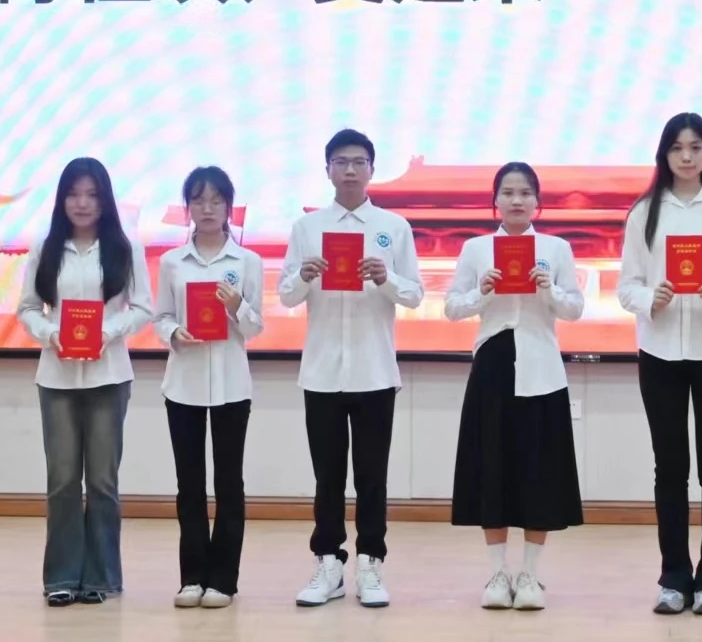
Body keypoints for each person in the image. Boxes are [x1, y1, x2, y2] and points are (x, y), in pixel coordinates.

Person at [614, 112, 702, 616]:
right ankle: (674, 577)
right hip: (659, 352)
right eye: (677, 147)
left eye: (696, 147)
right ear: (664, 154)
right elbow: (627, 286)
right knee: (670, 467)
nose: (687, 156)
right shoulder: (644, 213)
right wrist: (648, 299)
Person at [279, 128, 423, 609]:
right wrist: (304, 276)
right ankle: (328, 564)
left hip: (375, 370)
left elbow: (415, 294)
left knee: (372, 477)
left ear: (372, 170)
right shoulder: (308, 227)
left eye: (359, 162)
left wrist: (386, 277)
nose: (350, 170)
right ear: (327, 170)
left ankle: (370, 564)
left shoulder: (393, 227)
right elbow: (286, 295)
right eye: (340, 162)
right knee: (327, 477)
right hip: (321, 371)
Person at [444, 161, 587, 611]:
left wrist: (548, 290)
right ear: (495, 201)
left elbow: (575, 309)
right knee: (492, 467)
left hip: (541, 366)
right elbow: (452, 307)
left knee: (538, 470)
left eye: (525, 192)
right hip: (493, 364)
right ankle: (497, 574)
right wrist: (482, 293)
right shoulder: (476, 249)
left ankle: (529, 574)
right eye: (507, 192)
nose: (517, 200)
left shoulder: (556, 248)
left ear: (538, 202)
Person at [15, 157, 154, 607]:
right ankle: (60, 577)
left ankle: (101, 577)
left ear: (105, 199)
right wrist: (50, 334)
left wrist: (107, 331)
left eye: (91, 194)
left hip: (108, 376)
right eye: (74, 194)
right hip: (56, 378)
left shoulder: (124, 248)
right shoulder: (45, 246)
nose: (82, 203)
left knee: (101, 482)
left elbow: (143, 307)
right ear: (62, 199)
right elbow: (28, 308)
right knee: (61, 480)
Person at [153, 166, 264, 610]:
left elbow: (255, 328)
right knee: (190, 485)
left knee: (229, 484)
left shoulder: (247, 262)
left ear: (229, 207)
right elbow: (161, 316)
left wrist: (237, 307)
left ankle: (224, 580)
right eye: (198, 200)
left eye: (217, 200)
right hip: (184, 384)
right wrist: (173, 333)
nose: (208, 208)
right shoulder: (172, 262)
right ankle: (192, 577)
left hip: (232, 387)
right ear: (188, 208)